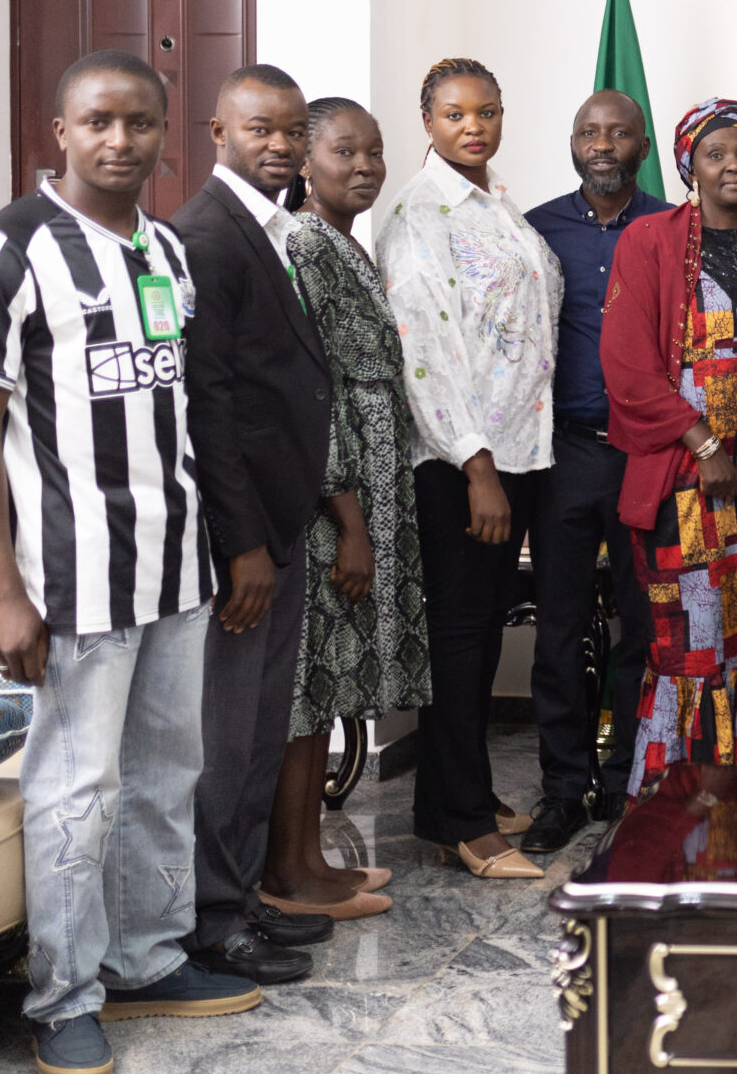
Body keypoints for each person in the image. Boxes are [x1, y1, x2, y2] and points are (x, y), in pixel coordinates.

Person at [0, 50, 260, 1074]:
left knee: (166, 777)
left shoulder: (164, 249)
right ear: (60, 132)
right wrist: (3, 593)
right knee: (79, 790)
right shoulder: (10, 250)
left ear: (166, 134)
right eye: (97, 122)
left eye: (139, 123)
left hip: (175, 569)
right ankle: (65, 999)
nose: (119, 140)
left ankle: (147, 958)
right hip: (73, 580)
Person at [378, 58, 563, 881]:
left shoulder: (496, 204)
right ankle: (463, 825)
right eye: (455, 113)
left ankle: (460, 797)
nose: (473, 125)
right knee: (458, 640)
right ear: (428, 121)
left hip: (517, 451)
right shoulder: (420, 214)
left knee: (482, 633)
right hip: (463, 462)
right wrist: (476, 465)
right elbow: (426, 351)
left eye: (486, 111)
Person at [172, 63, 335, 985]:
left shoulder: (267, 228)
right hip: (242, 541)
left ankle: (239, 900)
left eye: (291, 130)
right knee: (227, 741)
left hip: (281, 523)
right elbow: (211, 405)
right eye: (259, 128)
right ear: (218, 133)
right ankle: (210, 921)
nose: (279, 143)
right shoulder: (206, 236)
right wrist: (241, 545)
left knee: (260, 733)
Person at [602, 97, 737, 779]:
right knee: (691, 635)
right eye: (715, 154)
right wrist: (703, 443)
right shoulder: (650, 240)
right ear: (689, 165)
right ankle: (678, 795)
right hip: (689, 472)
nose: (733, 165)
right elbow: (627, 366)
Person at [260, 99, 426, 922]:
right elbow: (311, 394)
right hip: (331, 504)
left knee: (324, 691)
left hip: (371, 487)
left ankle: (312, 859)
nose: (364, 165)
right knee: (306, 687)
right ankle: (287, 873)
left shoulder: (347, 243)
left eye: (375, 150)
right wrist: (350, 523)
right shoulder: (302, 244)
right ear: (305, 161)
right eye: (344, 151)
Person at [521, 90, 674, 851]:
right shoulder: (535, 231)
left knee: (646, 626)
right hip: (567, 453)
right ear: (573, 142)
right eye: (589, 131)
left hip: (649, 454)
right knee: (559, 626)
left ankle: (626, 780)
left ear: (643, 145)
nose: (602, 144)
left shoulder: (674, 229)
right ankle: (562, 790)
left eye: (618, 132)